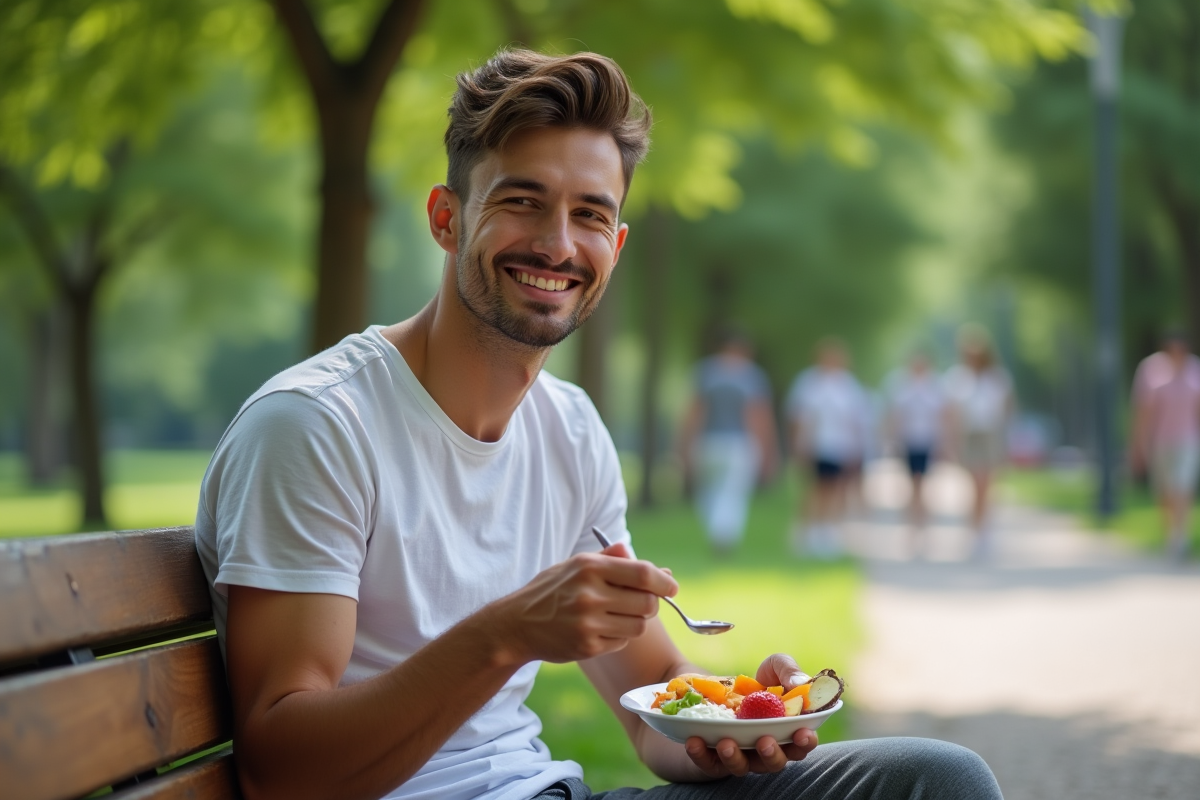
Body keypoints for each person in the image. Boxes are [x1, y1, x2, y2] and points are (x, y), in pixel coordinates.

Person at [195, 49, 1002, 800]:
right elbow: (281, 772)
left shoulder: (569, 429)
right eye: (521, 201)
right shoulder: (314, 429)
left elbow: (645, 709)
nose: (557, 243)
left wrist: (732, 728)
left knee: (936, 779)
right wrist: (504, 635)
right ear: (446, 218)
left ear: (613, 247)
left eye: (589, 215)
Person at [678, 330, 778, 555]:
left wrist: (685, 444)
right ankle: (724, 534)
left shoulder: (705, 372)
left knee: (708, 491)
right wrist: (767, 449)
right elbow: (757, 416)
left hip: (707, 442)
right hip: (739, 443)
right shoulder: (751, 376)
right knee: (732, 492)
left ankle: (717, 531)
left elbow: (694, 413)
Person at [784, 338, 871, 559]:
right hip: (814, 445)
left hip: (839, 446)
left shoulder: (848, 385)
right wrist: (798, 445)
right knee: (814, 488)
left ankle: (828, 531)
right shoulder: (809, 382)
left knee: (835, 489)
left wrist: (857, 446)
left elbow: (857, 419)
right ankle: (807, 532)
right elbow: (798, 416)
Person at [942, 326, 1013, 559]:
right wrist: (951, 441)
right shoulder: (957, 378)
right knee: (973, 486)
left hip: (990, 435)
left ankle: (983, 531)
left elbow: (1007, 410)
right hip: (969, 436)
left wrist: (1006, 438)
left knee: (986, 484)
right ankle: (975, 530)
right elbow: (951, 413)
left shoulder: (997, 378)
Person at [1130, 330, 1200, 560]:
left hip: (1189, 439)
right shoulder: (1151, 370)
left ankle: (1179, 538)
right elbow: (1143, 411)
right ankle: (1172, 533)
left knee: (1182, 487)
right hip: (1161, 441)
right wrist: (1139, 444)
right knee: (1166, 491)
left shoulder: (1195, 370)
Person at [883, 350, 946, 558]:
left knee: (925, 486)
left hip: (928, 442)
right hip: (909, 443)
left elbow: (942, 416)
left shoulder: (935, 387)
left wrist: (945, 443)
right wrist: (892, 440)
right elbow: (895, 415)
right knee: (911, 486)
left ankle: (924, 529)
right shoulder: (902, 386)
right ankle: (911, 529)